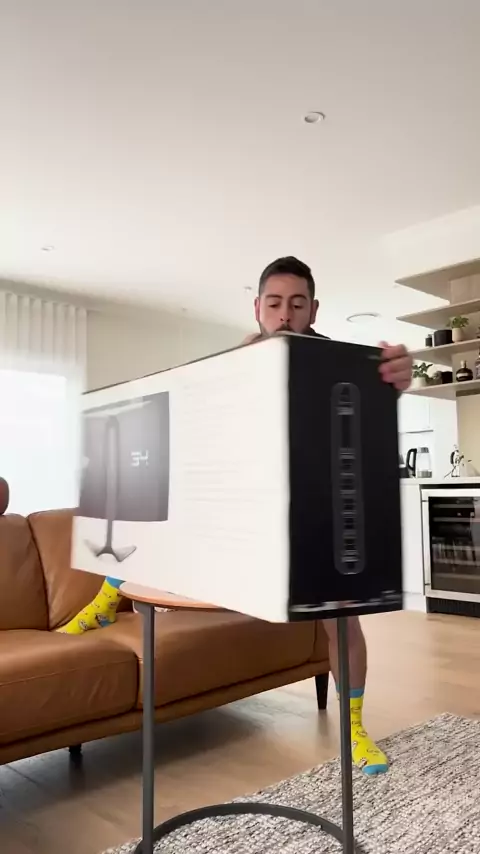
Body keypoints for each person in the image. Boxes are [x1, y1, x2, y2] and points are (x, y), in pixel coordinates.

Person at [248, 256, 412, 776]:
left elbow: (370, 402)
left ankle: (355, 728)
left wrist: (395, 376)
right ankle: (108, 595)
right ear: (257, 308)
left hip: (319, 507)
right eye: (275, 303)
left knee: (342, 620)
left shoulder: (341, 363)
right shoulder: (239, 362)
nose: (285, 314)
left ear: (313, 310)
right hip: (254, 513)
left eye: (297, 304)